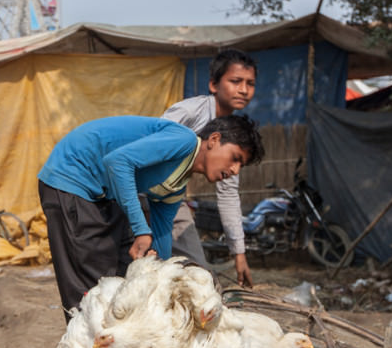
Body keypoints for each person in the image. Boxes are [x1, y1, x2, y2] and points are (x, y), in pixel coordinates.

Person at [38, 114, 263, 314]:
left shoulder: (177, 185)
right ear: (214, 140)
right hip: (71, 177)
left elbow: (163, 231)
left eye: (240, 166)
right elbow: (117, 162)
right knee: (89, 289)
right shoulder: (183, 141)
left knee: (119, 277)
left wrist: (165, 277)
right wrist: (141, 230)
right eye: (235, 158)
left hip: (100, 194)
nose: (234, 170)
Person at [162, 48, 258, 287]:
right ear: (214, 85)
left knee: (200, 278)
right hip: (142, 192)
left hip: (172, 202)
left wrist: (239, 254)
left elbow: (227, 194)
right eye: (236, 81)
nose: (244, 90)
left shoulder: (233, 135)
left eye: (250, 83)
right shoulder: (188, 113)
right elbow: (151, 149)